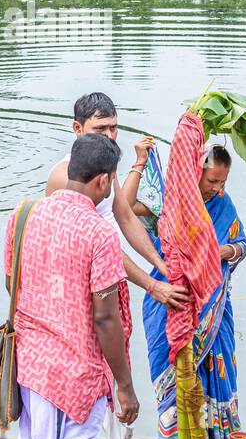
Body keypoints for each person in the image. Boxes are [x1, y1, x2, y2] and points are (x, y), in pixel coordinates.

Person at [5, 133, 139, 439]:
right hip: (79, 376)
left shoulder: (23, 214)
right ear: (103, 181)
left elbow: (13, 285)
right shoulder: (100, 233)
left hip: (32, 368)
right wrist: (125, 386)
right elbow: (105, 318)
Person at [143, 145, 246, 439]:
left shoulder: (222, 204)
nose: (217, 189)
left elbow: (242, 241)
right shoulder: (172, 201)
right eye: (211, 181)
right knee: (177, 378)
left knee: (215, 375)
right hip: (170, 300)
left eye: (223, 182)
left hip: (214, 311)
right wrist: (140, 164)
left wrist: (223, 250)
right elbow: (128, 211)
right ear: (195, 172)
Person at [45, 93, 187, 313]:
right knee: (101, 333)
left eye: (113, 128)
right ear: (77, 128)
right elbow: (98, 244)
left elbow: (126, 216)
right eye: (100, 129)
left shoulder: (104, 164)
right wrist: (152, 285)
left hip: (111, 271)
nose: (109, 136)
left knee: (116, 332)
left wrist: (162, 266)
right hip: (79, 279)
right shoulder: (67, 178)